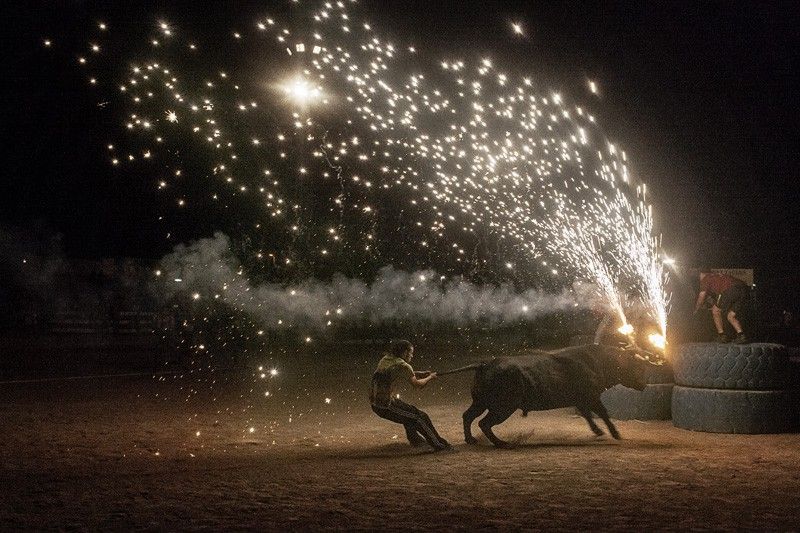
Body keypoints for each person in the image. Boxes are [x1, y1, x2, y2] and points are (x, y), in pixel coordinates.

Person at [369, 339, 450, 451]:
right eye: (411, 353)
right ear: (404, 353)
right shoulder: (404, 365)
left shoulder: (387, 359)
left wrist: (417, 373)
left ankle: (416, 440)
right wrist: (430, 377)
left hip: (377, 402)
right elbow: (418, 385)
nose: (412, 356)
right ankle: (438, 445)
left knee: (411, 414)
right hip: (385, 405)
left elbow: (398, 371)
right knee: (419, 417)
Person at [693, 271, 750, 343]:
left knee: (715, 311)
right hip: (744, 289)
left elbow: (701, 296)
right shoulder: (717, 276)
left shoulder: (706, 278)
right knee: (731, 315)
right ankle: (741, 336)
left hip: (731, 289)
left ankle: (722, 336)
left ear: (700, 275)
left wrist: (696, 309)